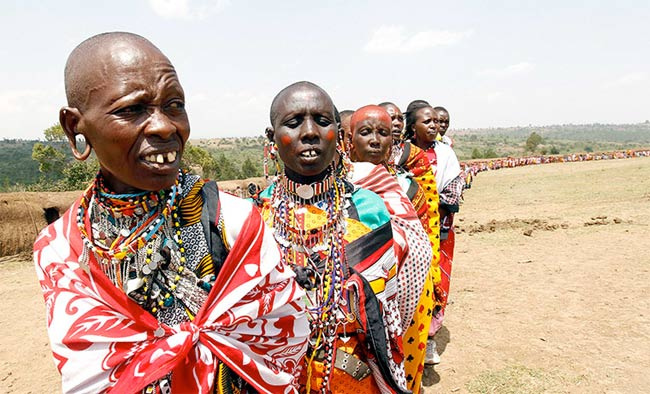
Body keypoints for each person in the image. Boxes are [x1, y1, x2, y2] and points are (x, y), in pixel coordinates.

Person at [34, 32, 309, 393]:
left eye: (174, 104)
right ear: (75, 127)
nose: (165, 125)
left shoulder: (235, 221)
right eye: (131, 109)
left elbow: (282, 344)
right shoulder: (61, 250)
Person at [255, 82, 408, 393]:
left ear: (338, 134)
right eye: (294, 122)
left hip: (354, 374)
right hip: (275, 376)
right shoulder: (254, 217)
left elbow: (391, 309)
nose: (310, 132)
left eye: (322, 121)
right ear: (272, 138)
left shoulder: (369, 208)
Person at [348, 105, 435, 393]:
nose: (375, 140)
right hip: (363, 308)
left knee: (407, 375)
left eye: (383, 133)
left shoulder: (408, 187)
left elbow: (423, 241)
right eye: (366, 132)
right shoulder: (340, 189)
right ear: (349, 140)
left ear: (393, 141)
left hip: (413, 297)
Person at [405, 100, 464, 369]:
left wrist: (431, 206)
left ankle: (428, 340)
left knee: (436, 285)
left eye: (437, 122)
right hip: (408, 230)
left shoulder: (446, 154)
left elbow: (453, 190)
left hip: (438, 230)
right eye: (428, 122)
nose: (435, 126)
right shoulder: (400, 153)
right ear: (412, 127)